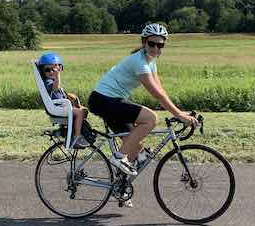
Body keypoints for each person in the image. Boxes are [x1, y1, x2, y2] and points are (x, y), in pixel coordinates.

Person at [88, 23, 198, 177]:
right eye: (151, 44)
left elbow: (161, 90)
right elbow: (157, 95)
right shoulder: (139, 62)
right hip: (103, 100)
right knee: (151, 118)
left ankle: (121, 190)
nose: (156, 48)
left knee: (135, 146)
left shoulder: (150, 61)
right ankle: (119, 157)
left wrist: (180, 112)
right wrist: (180, 116)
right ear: (143, 42)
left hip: (111, 101)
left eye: (160, 45)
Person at [37, 52, 89, 149]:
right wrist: (57, 76)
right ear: (43, 72)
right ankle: (77, 137)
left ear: (60, 67)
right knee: (80, 113)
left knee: (84, 111)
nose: (51, 72)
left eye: (54, 69)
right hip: (58, 107)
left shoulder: (52, 80)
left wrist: (69, 96)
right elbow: (56, 88)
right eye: (48, 70)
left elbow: (60, 93)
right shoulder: (49, 81)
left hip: (61, 105)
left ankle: (69, 132)